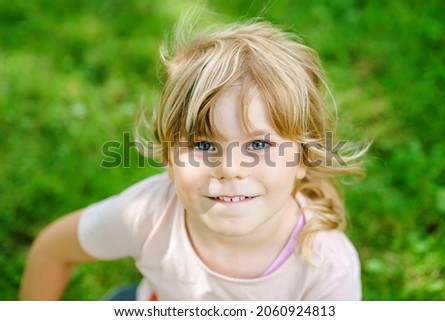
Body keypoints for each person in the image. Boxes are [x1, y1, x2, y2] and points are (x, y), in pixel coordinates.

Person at [20, 16, 367, 301]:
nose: (229, 169)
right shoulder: (148, 214)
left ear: (303, 156)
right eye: (203, 146)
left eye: (259, 146)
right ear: (169, 157)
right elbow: (52, 251)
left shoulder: (327, 265)